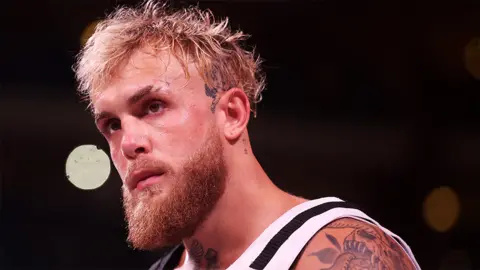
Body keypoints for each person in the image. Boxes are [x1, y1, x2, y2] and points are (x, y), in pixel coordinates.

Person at [73, 1, 421, 269]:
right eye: (112, 125)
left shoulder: (343, 256)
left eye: (153, 106)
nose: (129, 143)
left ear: (232, 114)